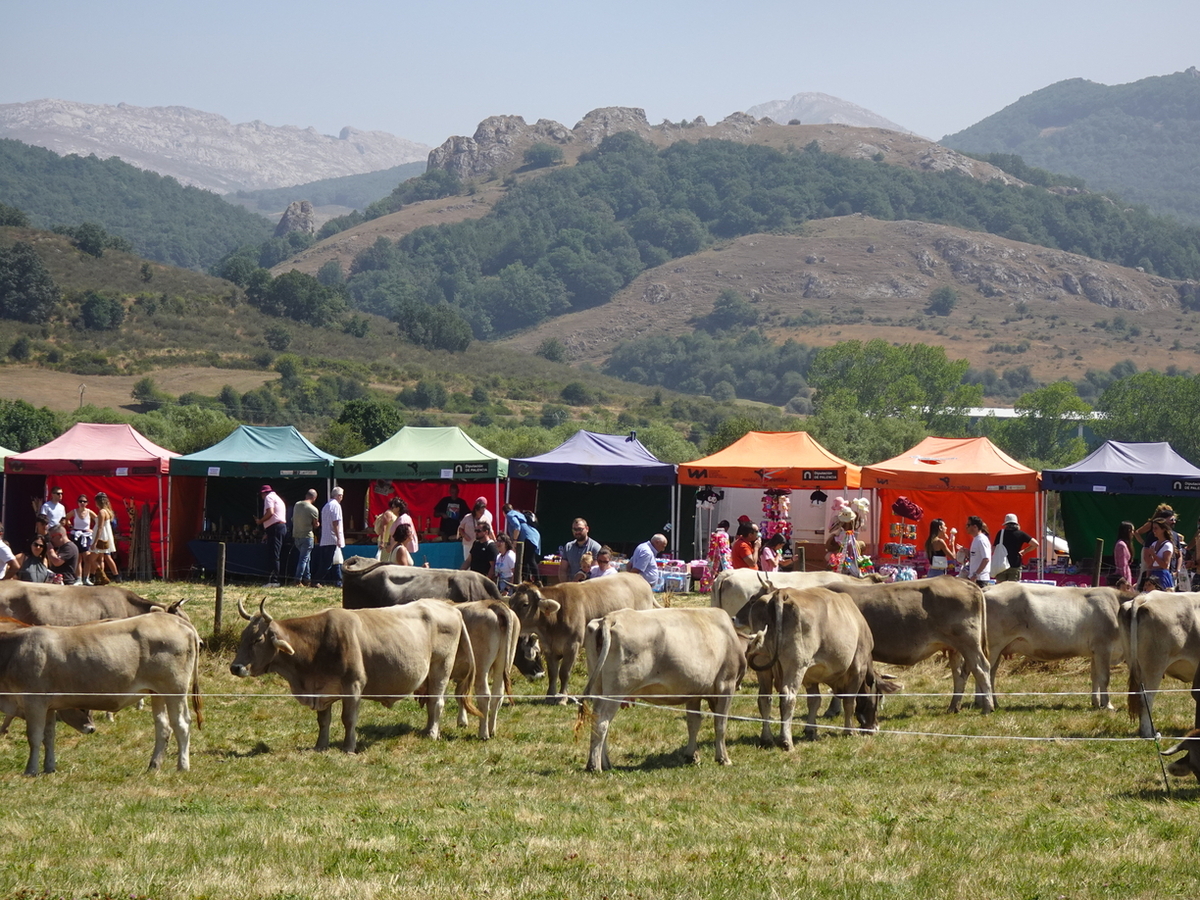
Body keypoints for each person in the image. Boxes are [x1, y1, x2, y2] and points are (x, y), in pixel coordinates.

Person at [83, 492, 121, 585]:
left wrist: (95, 541)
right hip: (106, 537)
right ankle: (116, 576)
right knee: (107, 557)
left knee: (89, 559)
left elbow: (100, 527)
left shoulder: (102, 512)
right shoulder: (108, 511)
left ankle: (101, 576)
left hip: (101, 538)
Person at [255, 484, 287, 587]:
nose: (261, 497)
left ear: (264, 493)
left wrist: (260, 521)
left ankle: (274, 581)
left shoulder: (269, 497)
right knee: (276, 553)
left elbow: (271, 513)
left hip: (275, 528)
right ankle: (275, 579)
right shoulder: (277, 498)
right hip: (278, 528)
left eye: (261, 494)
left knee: (274, 555)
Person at [502, 503, 542, 585]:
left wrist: (515, 540)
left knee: (530, 559)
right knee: (525, 560)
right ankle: (526, 580)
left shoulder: (510, 515)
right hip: (533, 535)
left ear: (503, 512)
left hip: (528, 537)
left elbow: (517, 526)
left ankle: (537, 580)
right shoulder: (518, 514)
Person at [993, 513, 1039, 583]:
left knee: (1000, 588)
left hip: (1001, 564)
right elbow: (1035, 544)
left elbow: (994, 548)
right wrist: (1024, 551)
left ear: (1006, 524)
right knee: (1013, 589)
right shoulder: (1021, 534)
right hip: (1015, 564)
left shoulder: (1001, 533)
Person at [314, 486, 345, 588]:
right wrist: (338, 537)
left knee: (336, 561)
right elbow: (335, 522)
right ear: (339, 496)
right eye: (341, 496)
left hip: (326, 538)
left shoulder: (326, 506)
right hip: (332, 538)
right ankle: (315, 581)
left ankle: (338, 581)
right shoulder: (336, 506)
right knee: (327, 563)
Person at [291, 489, 320, 587]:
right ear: (314, 498)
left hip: (296, 536)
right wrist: (318, 524)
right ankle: (297, 580)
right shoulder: (313, 509)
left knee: (306, 558)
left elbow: (293, 519)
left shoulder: (297, 505)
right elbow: (315, 525)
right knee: (303, 559)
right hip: (307, 537)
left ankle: (307, 579)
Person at [960, 516, 992, 588]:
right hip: (974, 578)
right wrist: (967, 553)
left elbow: (986, 559)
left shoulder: (981, 540)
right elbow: (977, 558)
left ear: (975, 527)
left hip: (980, 579)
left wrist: (976, 574)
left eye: (968, 525)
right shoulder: (976, 539)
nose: (966, 527)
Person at [458, 497, 493, 561]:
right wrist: (464, 535)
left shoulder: (485, 518)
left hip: (480, 544)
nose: (482, 514)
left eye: (483, 512)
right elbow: (460, 528)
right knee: (467, 561)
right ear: (476, 510)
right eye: (480, 512)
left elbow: (490, 532)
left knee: (477, 562)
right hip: (468, 544)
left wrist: (494, 542)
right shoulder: (467, 517)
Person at [1145, 517, 1175, 591]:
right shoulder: (1154, 544)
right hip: (1153, 574)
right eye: (1153, 528)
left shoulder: (1167, 545)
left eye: (1156, 528)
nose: (1154, 531)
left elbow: (1165, 565)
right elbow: (1150, 564)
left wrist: (1154, 555)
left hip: (1162, 575)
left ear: (1163, 529)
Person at [701, 520, 732, 592]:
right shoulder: (725, 535)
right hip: (723, 553)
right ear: (726, 527)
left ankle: (707, 585)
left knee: (711, 569)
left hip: (713, 553)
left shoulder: (714, 534)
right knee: (725, 567)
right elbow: (725, 547)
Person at [387, 497, 418, 563]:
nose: (391, 509)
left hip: (404, 548)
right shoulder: (399, 518)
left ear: (398, 508)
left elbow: (402, 534)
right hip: (398, 547)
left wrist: (391, 547)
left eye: (393, 507)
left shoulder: (403, 519)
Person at [1114, 521, 1135, 587]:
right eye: (1132, 531)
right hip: (1123, 577)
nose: (1133, 533)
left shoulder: (1123, 544)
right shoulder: (1121, 545)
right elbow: (1122, 565)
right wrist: (1125, 581)